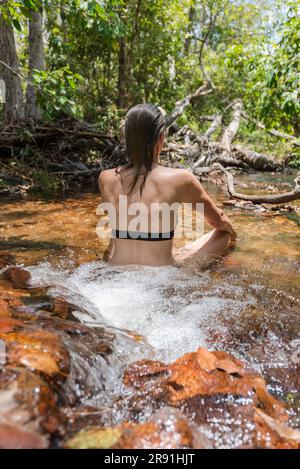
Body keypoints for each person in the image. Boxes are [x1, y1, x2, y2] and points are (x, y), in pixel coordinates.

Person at [98, 103, 236, 267]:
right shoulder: (181, 179)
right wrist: (234, 237)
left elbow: (116, 233)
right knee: (224, 234)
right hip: (162, 276)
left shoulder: (105, 178)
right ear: (161, 137)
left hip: (114, 271)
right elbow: (218, 220)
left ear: (127, 138)